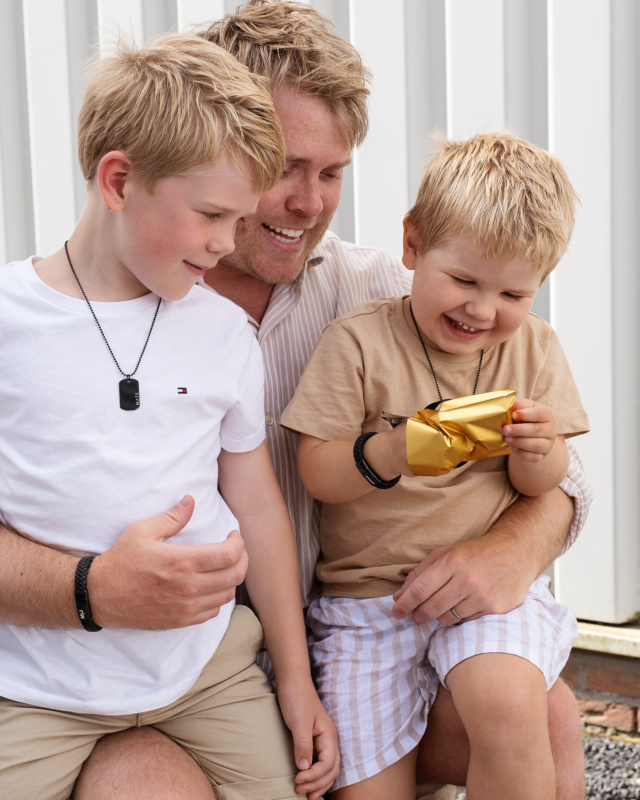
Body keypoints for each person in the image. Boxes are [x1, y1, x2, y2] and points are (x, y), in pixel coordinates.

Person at [0, 3, 591, 799]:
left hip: (356, 639)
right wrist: (89, 586)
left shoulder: (399, 295)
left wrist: (511, 550)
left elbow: (561, 471)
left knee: (545, 716)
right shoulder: (89, 297)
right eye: (284, 165)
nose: (310, 203)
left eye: (333, 172)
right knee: (144, 780)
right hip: (176, 664)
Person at [0, 32, 339, 800]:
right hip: (36, 686)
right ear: (119, 180)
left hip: (204, 673)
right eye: (213, 214)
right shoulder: (8, 323)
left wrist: (294, 680)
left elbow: (259, 506)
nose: (228, 244)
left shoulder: (221, 331)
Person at [281, 131, 588, 800]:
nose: (482, 310)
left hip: (483, 598)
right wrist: (391, 451)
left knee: (512, 707)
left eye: (513, 293)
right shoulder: (359, 341)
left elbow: (548, 485)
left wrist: (542, 452)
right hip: (367, 605)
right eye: (465, 280)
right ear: (413, 246)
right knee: (367, 787)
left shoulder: (533, 348)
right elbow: (316, 471)